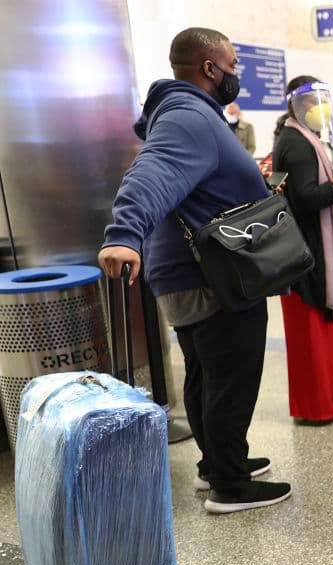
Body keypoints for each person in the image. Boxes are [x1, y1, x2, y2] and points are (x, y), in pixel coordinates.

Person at [98, 27, 291, 514]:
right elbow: (150, 173)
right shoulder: (190, 117)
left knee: (207, 375)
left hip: (187, 275)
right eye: (231, 67)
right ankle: (231, 485)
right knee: (231, 378)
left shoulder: (185, 114)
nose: (235, 76)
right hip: (212, 279)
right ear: (209, 68)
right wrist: (123, 234)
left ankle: (218, 466)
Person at [272, 76, 333, 424]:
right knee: (313, 335)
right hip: (309, 253)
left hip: (301, 250)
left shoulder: (294, 137)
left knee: (314, 335)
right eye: (313, 103)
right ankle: (321, 408)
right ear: (298, 106)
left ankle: (316, 404)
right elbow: (308, 198)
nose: (321, 109)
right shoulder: (297, 143)